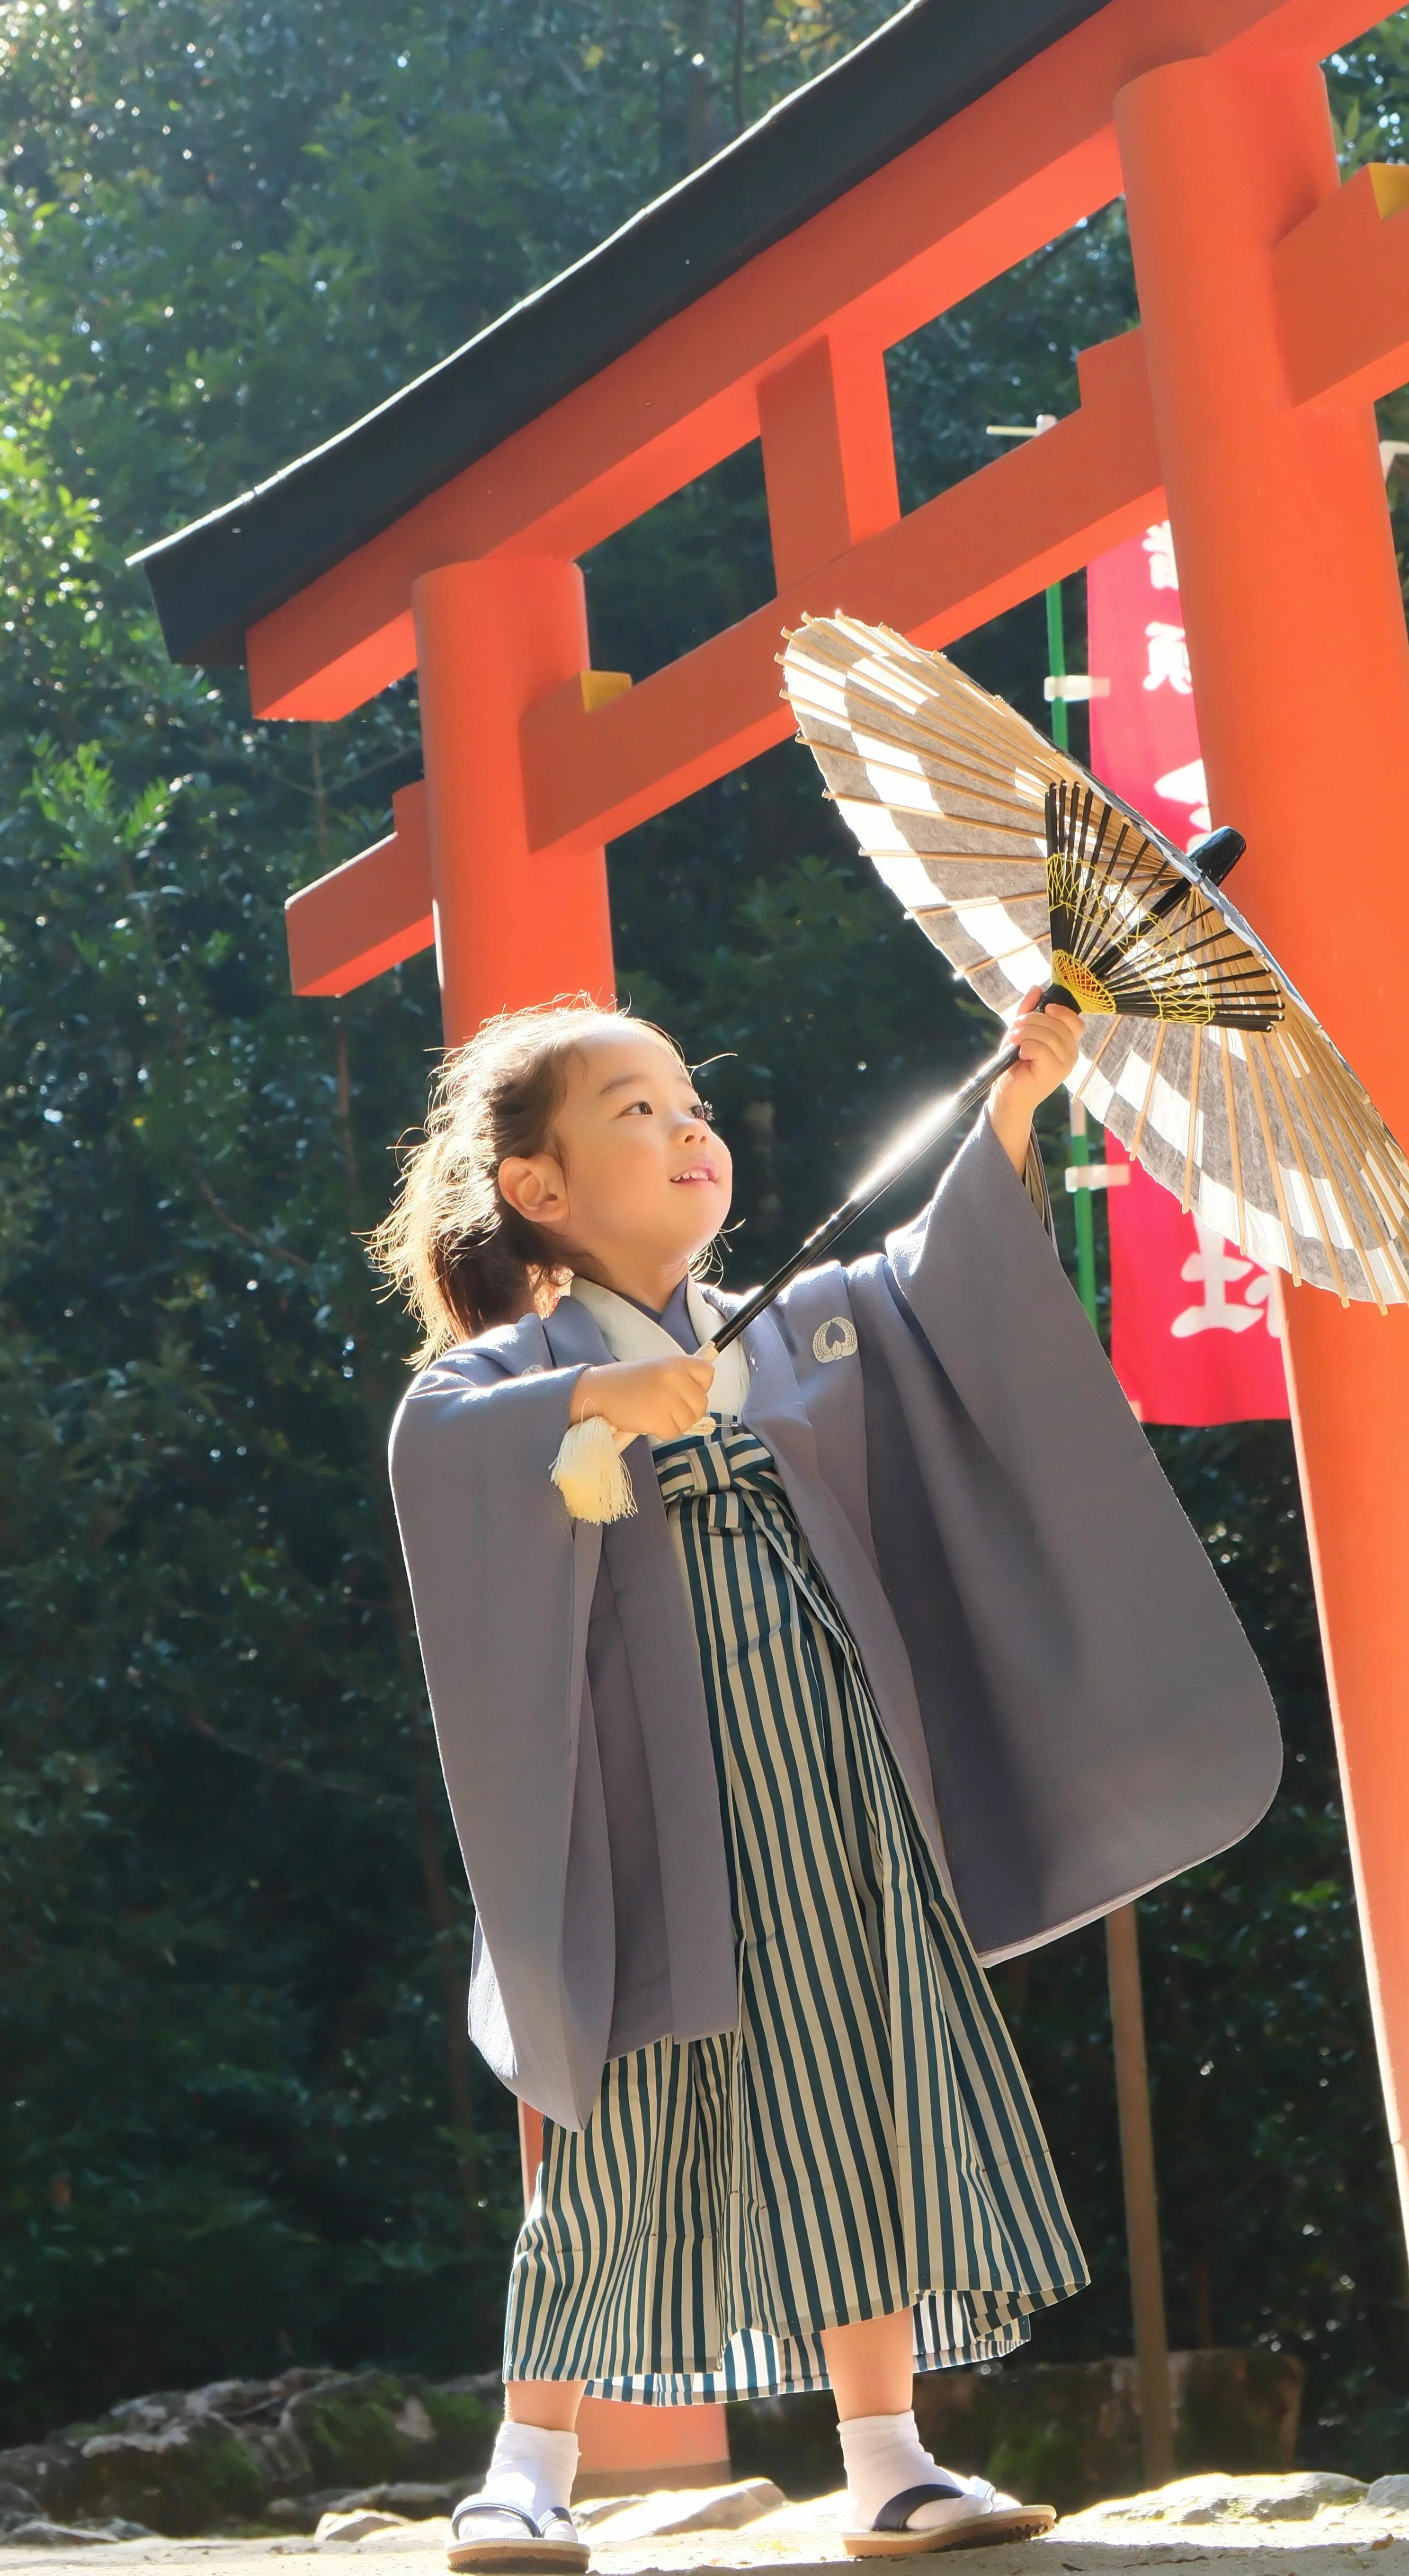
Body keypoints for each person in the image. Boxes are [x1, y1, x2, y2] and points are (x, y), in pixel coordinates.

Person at [373, 993, 1280, 2568]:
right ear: (537, 1190)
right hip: (651, 1807)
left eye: (691, 1103)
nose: (687, 1128)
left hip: (842, 1785)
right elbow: (442, 1452)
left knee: (859, 2090)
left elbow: (944, 1288)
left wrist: (1015, 1094)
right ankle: (527, 2465)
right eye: (638, 1111)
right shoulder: (504, 1377)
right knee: (623, 2121)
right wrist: (588, 1401)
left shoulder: (800, 1324)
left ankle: (890, 2459)